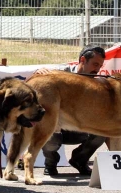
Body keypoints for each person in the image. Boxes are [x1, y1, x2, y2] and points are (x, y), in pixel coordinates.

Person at [33, 45, 107, 176]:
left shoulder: (96, 84)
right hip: (57, 126)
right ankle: (50, 163)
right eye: (95, 64)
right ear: (83, 60)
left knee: (102, 131)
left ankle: (79, 160)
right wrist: (39, 71)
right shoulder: (59, 73)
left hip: (78, 128)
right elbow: (38, 82)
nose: (97, 69)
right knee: (50, 133)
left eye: (100, 66)